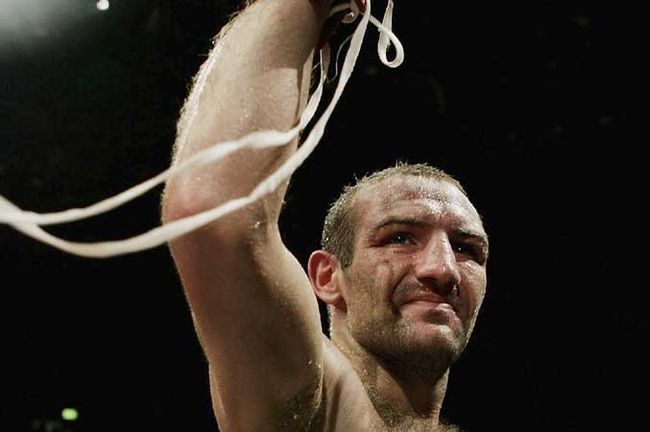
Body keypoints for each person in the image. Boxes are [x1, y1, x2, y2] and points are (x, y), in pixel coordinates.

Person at [161, 0, 489, 430]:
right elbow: (215, 213)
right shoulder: (315, 405)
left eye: (466, 249)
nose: (443, 269)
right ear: (328, 278)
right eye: (400, 238)